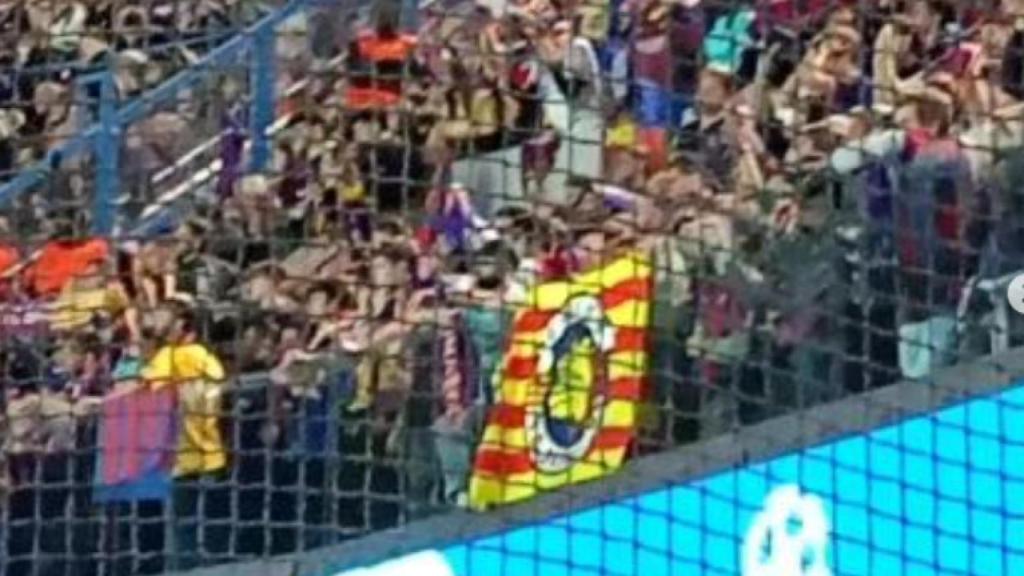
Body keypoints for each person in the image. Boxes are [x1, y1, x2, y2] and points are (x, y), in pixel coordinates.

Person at [141, 305, 229, 570]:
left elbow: (151, 391)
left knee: (187, 533)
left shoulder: (181, 355)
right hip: (202, 456)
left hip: (185, 456)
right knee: (203, 531)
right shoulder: (191, 356)